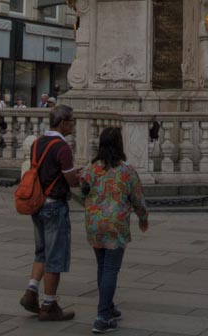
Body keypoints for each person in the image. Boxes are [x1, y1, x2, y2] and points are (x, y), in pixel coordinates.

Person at [79, 126, 148, 333]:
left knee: (102, 267)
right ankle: (102, 316)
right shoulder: (127, 170)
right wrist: (143, 218)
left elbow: (83, 190)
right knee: (110, 269)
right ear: (120, 144)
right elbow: (138, 199)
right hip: (115, 224)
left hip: (94, 222)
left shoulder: (91, 168)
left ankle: (108, 306)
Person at [19, 104, 79, 321]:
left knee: (41, 251)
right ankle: (49, 304)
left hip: (38, 202)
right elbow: (70, 179)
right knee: (55, 256)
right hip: (54, 205)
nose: (73, 124)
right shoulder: (62, 147)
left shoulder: (38, 142)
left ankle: (31, 291)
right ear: (62, 123)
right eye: (71, 120)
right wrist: (79, 178)